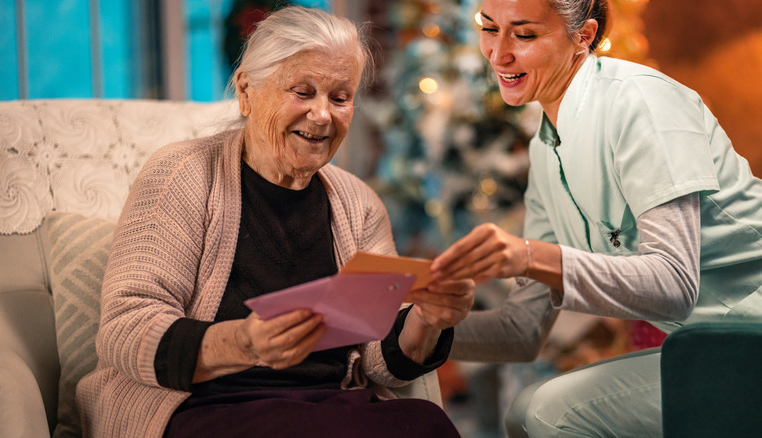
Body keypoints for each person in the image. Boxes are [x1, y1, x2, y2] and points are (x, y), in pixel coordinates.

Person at [76, 6, 474, 438]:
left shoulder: (358, 204)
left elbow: (379, 358)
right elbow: (125, 327)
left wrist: (429, 317)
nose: (323, 115)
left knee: (428, 424)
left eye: (340, 98)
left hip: (328, 405)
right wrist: (244, 342)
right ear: (247, 90)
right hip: (204, 405)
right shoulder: (181, 175)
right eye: (303, 92)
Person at [430, 0, 762, 436]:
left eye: (524, 34)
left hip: (746, 337)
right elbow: (523, 329)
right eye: (489, 28)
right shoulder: (545, 150)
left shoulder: (641, 102)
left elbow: (674, 285)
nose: (497, 53)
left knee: (551, 413)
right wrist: (411, 323)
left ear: (583, 37)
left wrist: (530, 256)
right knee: (524, 411)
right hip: (710, 347)